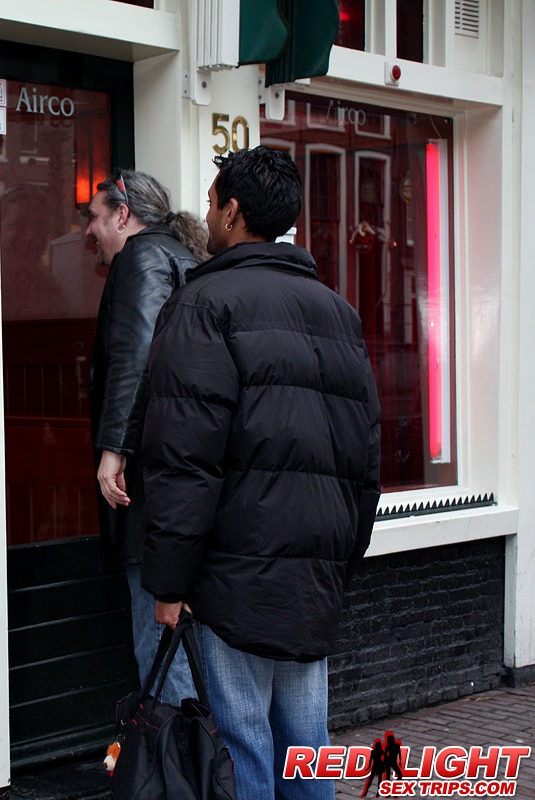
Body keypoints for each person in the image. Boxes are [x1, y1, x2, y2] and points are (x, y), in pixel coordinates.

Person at [141, 146, 381, 800]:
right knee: (307, 746)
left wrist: (169, 582)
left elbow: (184, 460)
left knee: (243, 743)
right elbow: (365, 455)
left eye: (212, 202)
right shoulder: (338, 313)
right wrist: (341, 560)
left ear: (233, 212)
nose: (207, 215)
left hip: (233, 576)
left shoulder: (203, 304)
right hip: (313, 573)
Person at [84, 169, 208, 703]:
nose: (89, 230)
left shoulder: (142, 257)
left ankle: (176, 750)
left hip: (151, 483)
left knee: (159, 639)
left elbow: (137, 357)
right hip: (187, 475)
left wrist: (113, 451)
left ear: (122, 214)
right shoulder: (182, 256)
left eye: (94, 216)